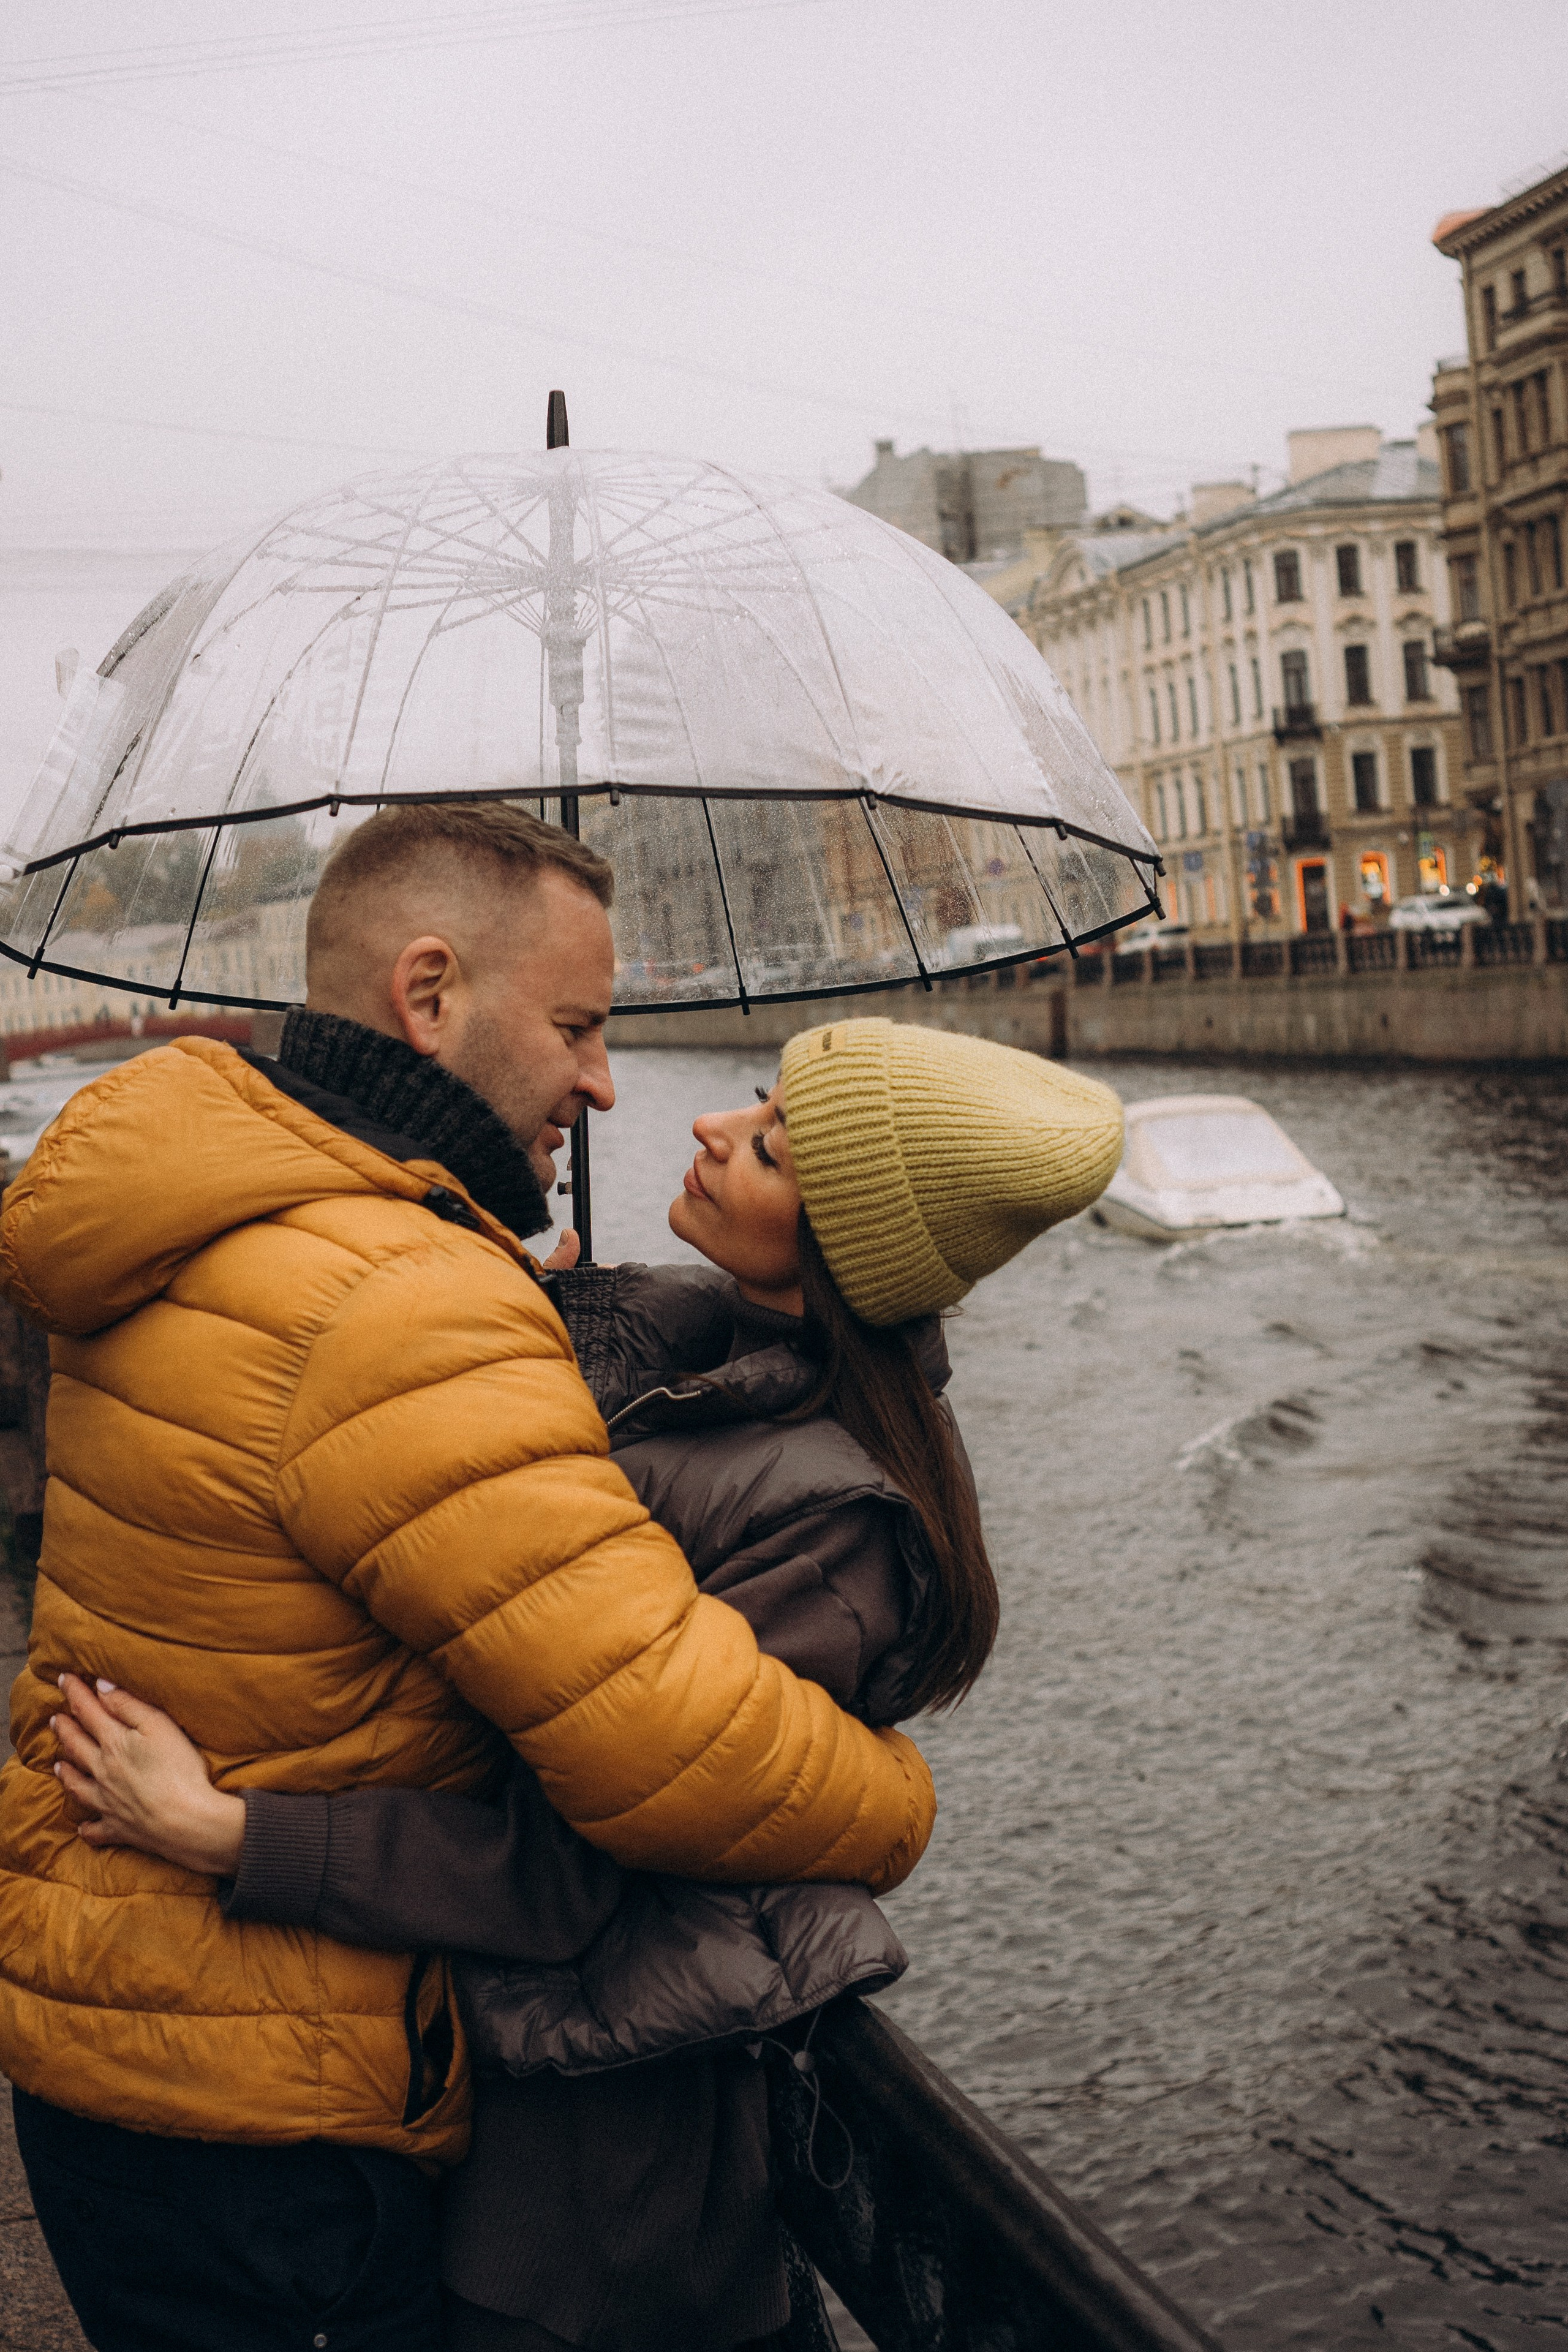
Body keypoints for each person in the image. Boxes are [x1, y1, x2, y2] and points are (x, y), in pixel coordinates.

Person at [0, 806, 937, 2352]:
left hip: (113, 2036)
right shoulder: (401, 1297)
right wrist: (895, 1801)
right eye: (575, 1025)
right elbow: (665, 1744)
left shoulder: (204, 1196)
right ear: (428, 994)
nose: (605, 1080)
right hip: (276, 2115)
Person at [48, 1017, 1126, 2351]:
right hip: (476, 2089)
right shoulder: (668, 1353)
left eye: (770, 1149)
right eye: (747, 1104)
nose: (708, 1133)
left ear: (844, 1248)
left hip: (585, 2191)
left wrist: (233, 1835)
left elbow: (581, 1866)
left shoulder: (830, 1526)